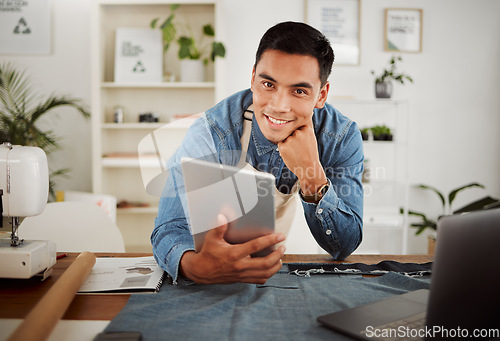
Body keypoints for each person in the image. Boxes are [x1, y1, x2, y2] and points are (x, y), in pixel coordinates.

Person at [152, 21, 364, 285]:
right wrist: (195, 267)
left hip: (299, 277)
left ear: (321, 95)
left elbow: (344, 246)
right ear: (253, 78)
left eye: (299, 91)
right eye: (268, 84)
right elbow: (169, 226)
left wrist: (312, 175)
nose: (279, 105)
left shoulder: (340, 136)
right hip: (220, 280)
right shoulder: (213, 130)